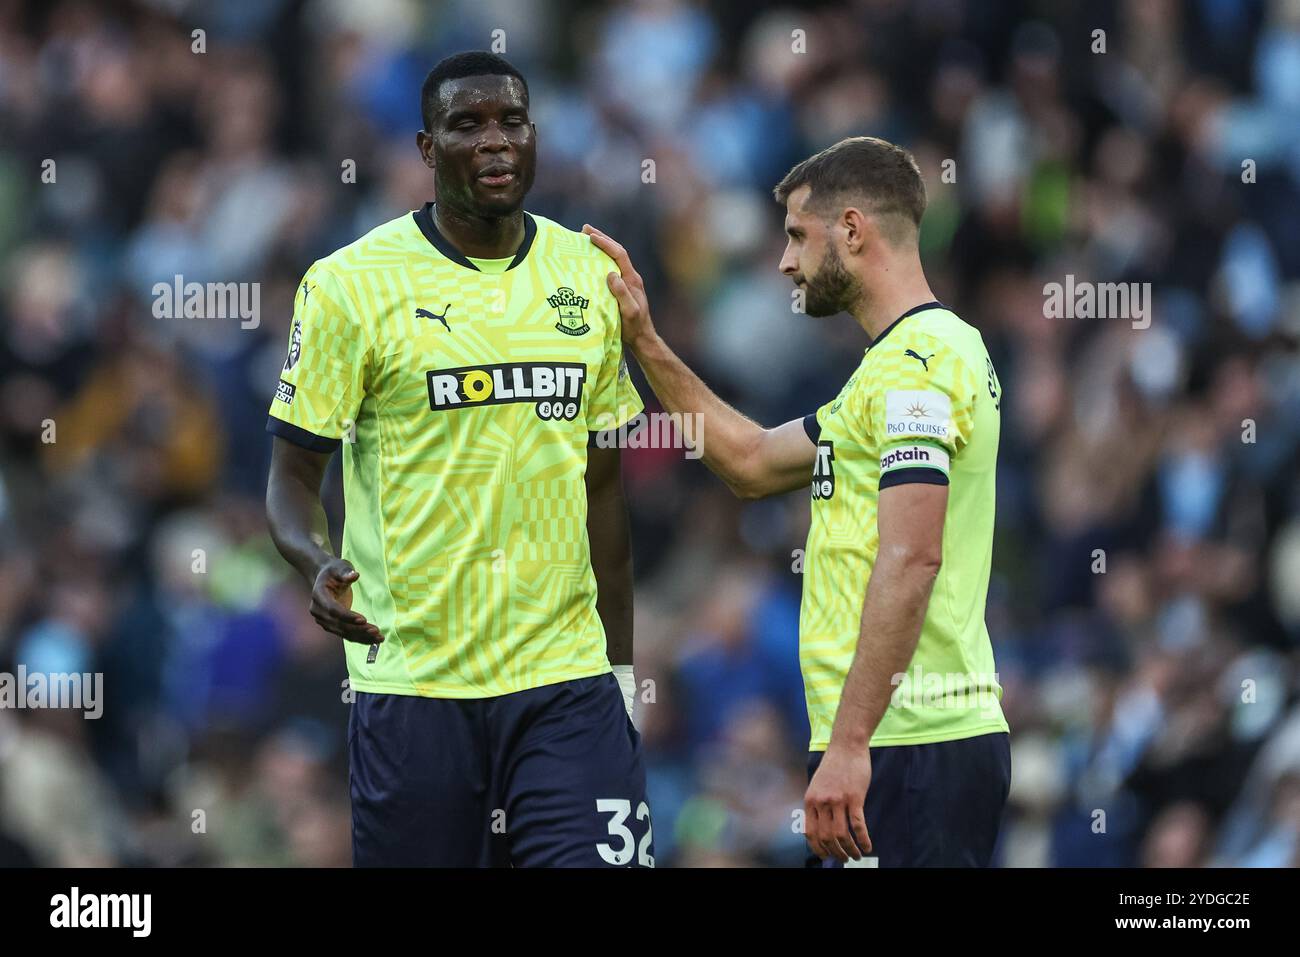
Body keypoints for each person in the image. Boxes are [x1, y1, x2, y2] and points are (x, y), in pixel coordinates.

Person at [265, 51, 653, 867]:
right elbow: (293, 476)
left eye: (511, 121)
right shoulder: (348, 286)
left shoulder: (588, 276)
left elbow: (605, 496)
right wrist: (313, 559)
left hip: (565, 683)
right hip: (415, 686)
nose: (494, 141)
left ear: (535, 136)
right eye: (466, 125)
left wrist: (619, 675)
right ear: (424, 148)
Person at [585, 135, 1010, 867]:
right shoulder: (884, 373)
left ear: (852, 229)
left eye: (797, 236)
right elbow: (749, 462)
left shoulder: (922, 363)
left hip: (911, 741)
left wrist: (849, 745)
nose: (786, 262)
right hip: (890, 741)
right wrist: (645, 339)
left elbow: (912, 556)